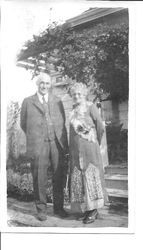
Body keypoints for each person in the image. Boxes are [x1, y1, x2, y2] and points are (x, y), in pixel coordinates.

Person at [20, 72, 69, 221]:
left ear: (50, 85)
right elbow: (24, 124)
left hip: (56, 144)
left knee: (58, 176)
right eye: (42, 83)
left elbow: (62, 122)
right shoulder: (28, 101)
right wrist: (36, 138)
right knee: (39, 177)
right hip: (39, 145)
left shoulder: (57, 101)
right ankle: (41, 210)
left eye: (47, 83)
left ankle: (59, 208)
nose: (44, 86)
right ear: (37, 84)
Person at [69, 82, 108, 224]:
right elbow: (71, 132)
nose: (76, 96)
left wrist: (93, 140)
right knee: (79, 178)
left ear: (84, 94)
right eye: (74, 94)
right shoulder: (73, 112)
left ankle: (94, 210)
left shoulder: (91, 107)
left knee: (91, 176)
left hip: (90, 148)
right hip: (76, 150)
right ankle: (86, 209)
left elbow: (100, 126)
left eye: (79, 94)